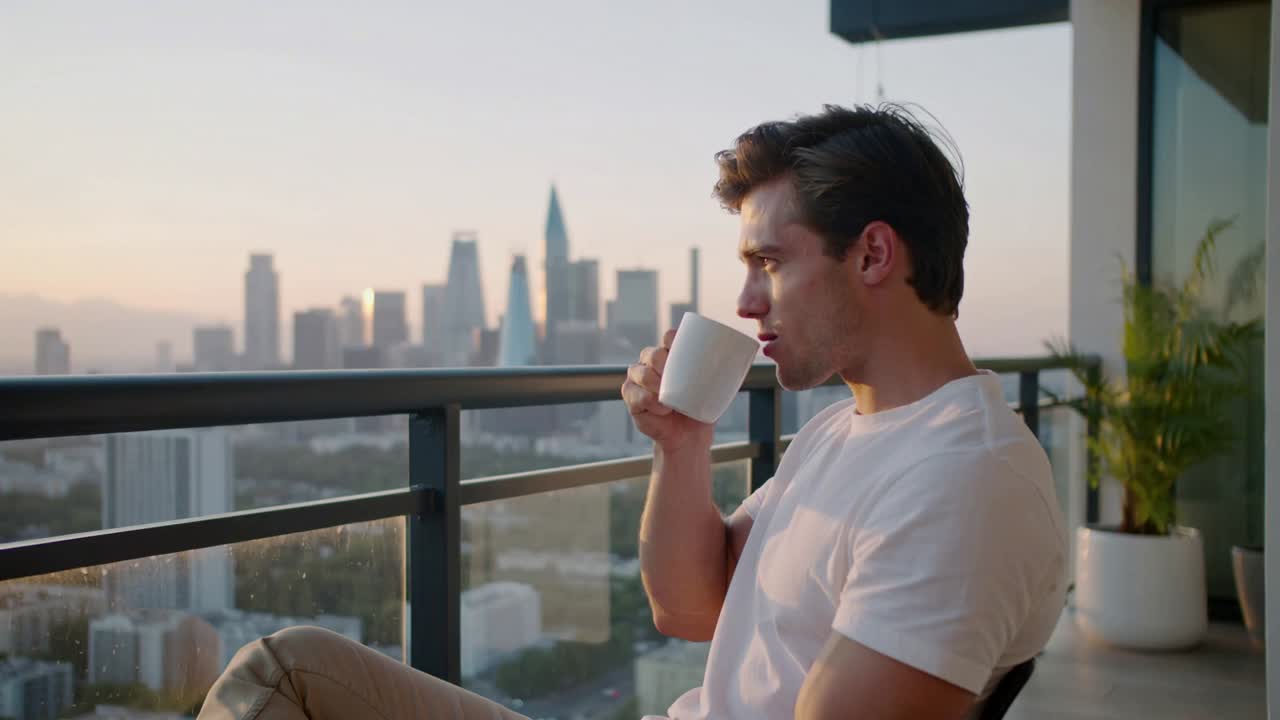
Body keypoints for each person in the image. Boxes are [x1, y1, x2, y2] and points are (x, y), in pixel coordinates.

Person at [197, 104, 1065, 720]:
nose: (745, 300)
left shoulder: (963, 480)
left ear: (874, 253)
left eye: (769, 263)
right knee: (286, 670)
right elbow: (689, 609)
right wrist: (679, 443)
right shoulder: (845, 431)